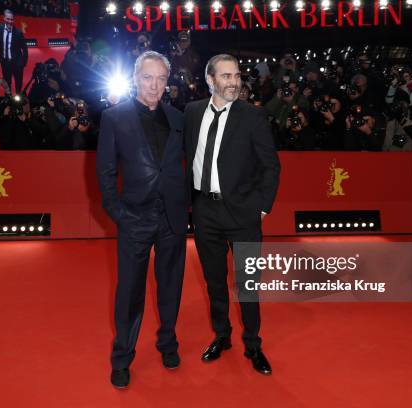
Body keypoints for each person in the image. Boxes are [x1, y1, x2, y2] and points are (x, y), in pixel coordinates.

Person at [184, 54, 280, 375]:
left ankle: (253, 344)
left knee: (248, 285)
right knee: (214, 283)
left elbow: (270, 165)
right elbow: (186, 156)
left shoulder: (253, 117)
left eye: (236, 76)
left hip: (242, 214)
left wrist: (263, 207)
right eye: (225, 76)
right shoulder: (193, 111)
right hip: (205, 212)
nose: (233, 82)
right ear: (210, 80)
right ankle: (222, 336)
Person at [96, 51, 187, 389]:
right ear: (136, 78)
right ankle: (122, 357)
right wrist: (120, 214)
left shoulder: (178, 118)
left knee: (171, 286)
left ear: (167, 82)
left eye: (161, 79)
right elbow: (105, 173)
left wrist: (187, 205)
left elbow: (189, 166)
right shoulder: (114, 118)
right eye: (148, 78)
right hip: (135, 217)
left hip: (172, 218)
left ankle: (168, 343)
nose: (154, 85)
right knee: (130, 292)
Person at [0, 9, 28, 95]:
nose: (10, 21)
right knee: (7, 84)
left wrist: (23, 63)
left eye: (12, 19)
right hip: (5, 63)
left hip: (17, 63)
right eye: (8, 19)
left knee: (18, 83)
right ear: (4, 18)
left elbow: (25, 49)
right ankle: (8, 100)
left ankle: (18, 99)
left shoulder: (18, 33)